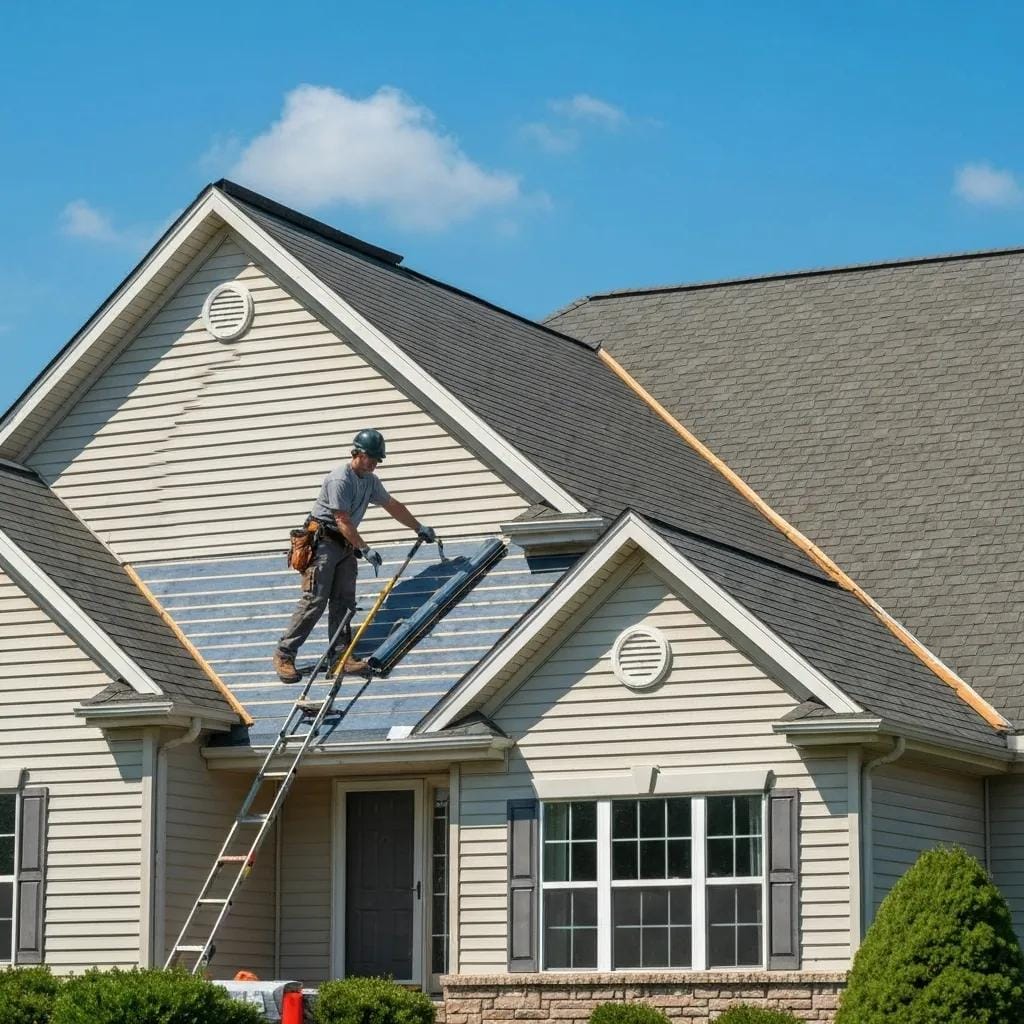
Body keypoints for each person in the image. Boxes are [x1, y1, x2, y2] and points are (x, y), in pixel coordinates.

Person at [272, 428, 435, 683]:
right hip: (324, 543)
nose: (373, 463)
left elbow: (391, 505)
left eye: (377, 459)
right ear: (356, 453)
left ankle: (341, 658)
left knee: (344, 603)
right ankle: (285, 654)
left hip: (346, 544)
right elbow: (342, 519)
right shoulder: (340, 479)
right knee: (315, 600)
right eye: (370, 457)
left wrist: (418, 527)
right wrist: (365, 548)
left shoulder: (370, 480)